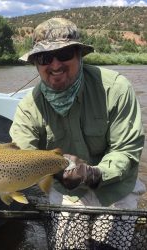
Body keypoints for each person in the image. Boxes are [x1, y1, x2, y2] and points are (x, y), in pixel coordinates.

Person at [9, 17, 146, 249]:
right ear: (35, 63)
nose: (55, 65)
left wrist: (91, 174)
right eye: (44, 58)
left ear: (80, 55)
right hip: (66, 193)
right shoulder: (29, 106)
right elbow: (21, 158)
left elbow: (126, 150)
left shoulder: (116, 89)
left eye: (64, 54)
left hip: (116, 188)